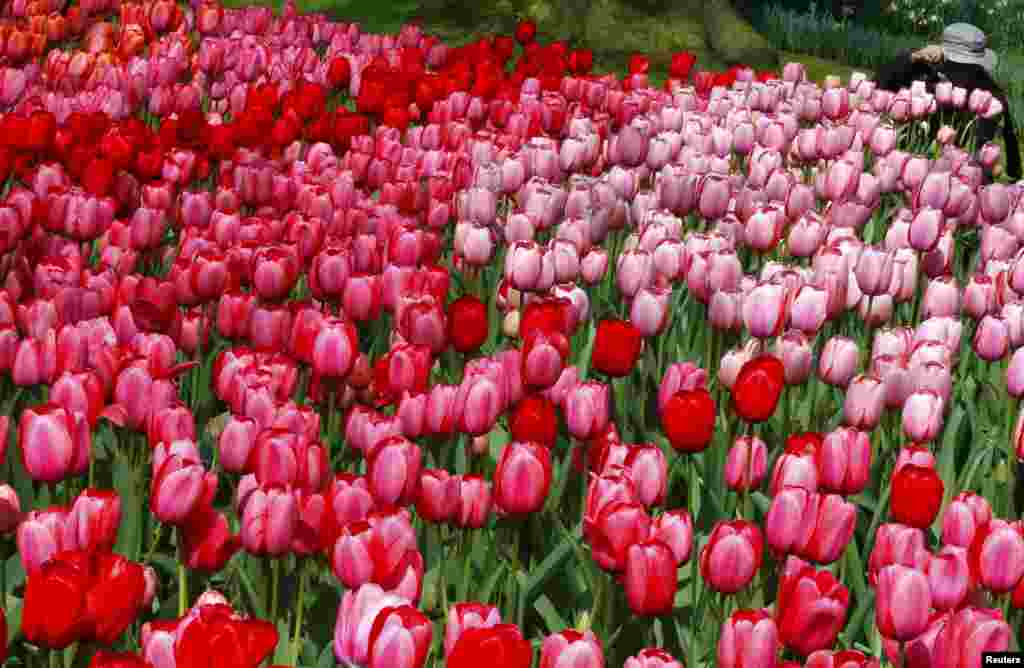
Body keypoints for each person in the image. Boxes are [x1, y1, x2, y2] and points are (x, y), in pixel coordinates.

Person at [874, 22, 1022, 180]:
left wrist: (913, 57)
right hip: (920, 168)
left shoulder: (987, 93)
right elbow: (879, 86)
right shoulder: (926, 74)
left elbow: (878, 86)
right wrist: (914, 57)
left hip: (947, 175)